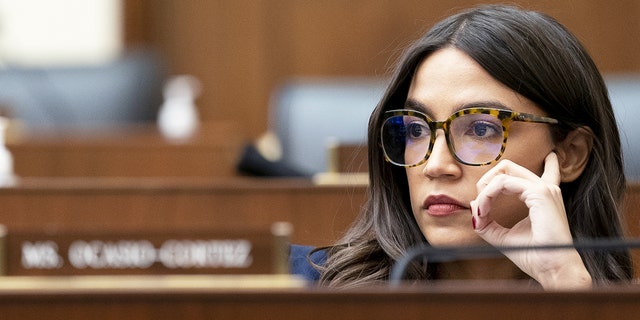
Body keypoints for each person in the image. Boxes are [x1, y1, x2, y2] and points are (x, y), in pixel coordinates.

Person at [290, 4, 634, 289]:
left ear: (571, 154)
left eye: (481, 129)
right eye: (415, 129)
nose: (435, 166)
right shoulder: (298, 286)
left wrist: (566, 282)